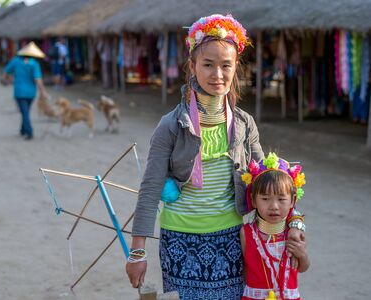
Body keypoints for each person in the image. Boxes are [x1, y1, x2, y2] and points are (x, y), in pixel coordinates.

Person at [125, 15, 306, 299]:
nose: (217, 74)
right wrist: (137, 253)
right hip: (179, 242)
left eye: (226, 66)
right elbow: (149, 190)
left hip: (233, 240)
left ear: (236, 68)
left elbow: (271, 183)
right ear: (192, 66)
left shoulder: (244, 125)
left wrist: (294, 224)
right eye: (208, 64)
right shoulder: (171, 126)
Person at [240, 153, 310, 300]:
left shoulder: (293, 234)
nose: (274, 206)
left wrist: (302, 255)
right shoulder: (246, 232)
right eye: (265, 199)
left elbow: (301, 267)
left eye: (281, 199)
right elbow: (245, 269)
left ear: (293, 200)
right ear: (253, 200)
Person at [3, 42, 48, 140]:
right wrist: (43, 91)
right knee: (26, 111)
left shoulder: (16, 61)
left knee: (24, 112)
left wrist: (9, 79)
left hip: (19, 91)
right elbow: (38, 79)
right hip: (31, 92)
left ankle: (29, 131)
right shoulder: (34, 64)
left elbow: (6, 71)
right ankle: (23, 130)